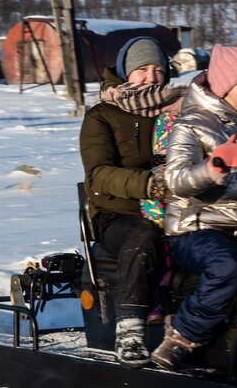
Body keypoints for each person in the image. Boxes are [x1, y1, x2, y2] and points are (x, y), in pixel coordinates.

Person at [154, 44, 237, 371]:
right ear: (225, 85)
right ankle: (181, 336)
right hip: (196, 230)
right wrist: (215, 166)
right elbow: (177, 180)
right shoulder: (192, 125)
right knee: (230, 265)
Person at [79, 36, 186, 367]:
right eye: (142, 69)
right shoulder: (103, 116)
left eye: (158, 69)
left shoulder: (179, 109)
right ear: (127, 72)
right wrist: (149, 185)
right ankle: (130, 330)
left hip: (178, 209)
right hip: (116, 215)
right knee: (143, 236)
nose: (152, 77)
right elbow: (98, 176)